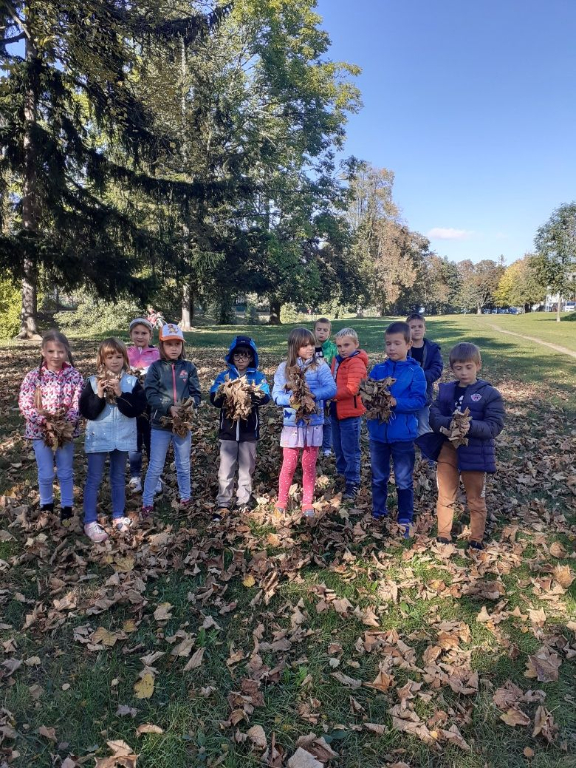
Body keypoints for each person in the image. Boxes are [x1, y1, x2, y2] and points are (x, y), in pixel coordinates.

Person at [417, 342, 505, 551]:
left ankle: (476, 538)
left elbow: (494, 425)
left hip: (475, 452)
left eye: (468, 367)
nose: (463, 372)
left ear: (478, 365)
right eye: (458, 368)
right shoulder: (446, 391)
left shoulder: (489, 394)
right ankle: (443, 534)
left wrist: (470, 426)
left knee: (475, 497)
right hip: (448, 450)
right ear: (452, 369)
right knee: (446, 494)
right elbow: (434, 415)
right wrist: (449, 424)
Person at [79, 338, 147, 542]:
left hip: (122, 437)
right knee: (94, 478)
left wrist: (119, 392)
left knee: (118, 477)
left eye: (119, 356)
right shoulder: (92, 382)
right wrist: (99, 394)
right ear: (102, 359)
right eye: (110, 357)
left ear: (125, 358)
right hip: (99, 437)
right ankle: (90, 520)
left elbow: (136, 410)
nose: (115, 361)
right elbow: (88, 412)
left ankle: (118, 515)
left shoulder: (132, 382)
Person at [367, 321, 426, 535]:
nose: (391, 348)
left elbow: (419, 400)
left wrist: (396, 402)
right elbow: (368, 394)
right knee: (379, 476)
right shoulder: (378, 369)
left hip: (403, 435)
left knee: (403, 479)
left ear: (409, 344)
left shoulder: (415, 371)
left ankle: (405, 517)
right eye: (388, 343)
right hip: (378, 434)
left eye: (397, 343)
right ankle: (378, 512)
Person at [18, 330, 83, 522]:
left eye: (60, 351)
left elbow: (78, 403)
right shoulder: (33, 376)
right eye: (51, 351)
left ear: (67, 351)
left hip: (65, 432)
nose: (56, 356)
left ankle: (67, 506)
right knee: (46, 472)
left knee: (65, 470)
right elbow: (25, 404)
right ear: (42, 352)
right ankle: (46, 504)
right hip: (40, 432)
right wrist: (43, 422)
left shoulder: (74, 376)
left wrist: (65, 422)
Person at [272, 328, 336, 517]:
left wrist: (312, 396)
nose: (310, 348)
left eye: (312, 344)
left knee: (309, 464)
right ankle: (282, 499)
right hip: (292, 424)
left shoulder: (320, 366)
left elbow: (331, 388)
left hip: (313, 423)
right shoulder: (284, 368)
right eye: (305, 345)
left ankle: (307, 502)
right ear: (295, 347)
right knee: (289, 464)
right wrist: (291, 400)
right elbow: (276, 395)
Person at [141, 324, 201, 518]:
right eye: (169, 344)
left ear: (182, 346)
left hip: (182, 425)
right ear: (161, 346)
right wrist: (168, 407)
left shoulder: (189, 368)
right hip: (160, 424)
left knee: (183, 463)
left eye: (177, 344)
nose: (174, 348)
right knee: (156, 465)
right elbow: (150, 394)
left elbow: (196, 394)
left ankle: (186, 497)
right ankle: (147, 501)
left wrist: (189, 406)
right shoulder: (155, 368)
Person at [209, 336, 270, 520]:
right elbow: (214, 396)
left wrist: (252, 396)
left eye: (246, 355)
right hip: (228, 430)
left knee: (246, 467)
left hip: (248, 430)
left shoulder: (257, 377)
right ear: (232, 356)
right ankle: (223, 502)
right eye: (237, 355)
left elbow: (266, 395)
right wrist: (225, 394)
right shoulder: (224, 376)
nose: (241, 358)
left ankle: (243, 501)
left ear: (251, 357)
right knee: (225, 468)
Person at [329, 328, 368, 500]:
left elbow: (353, 389)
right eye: (339, 346)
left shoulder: (356, 363)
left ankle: (353, 481)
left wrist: (331, 394)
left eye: (346, 345)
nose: (342, 349)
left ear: (356, 344)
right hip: (336, 411)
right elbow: (332, 381)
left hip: (350, 413)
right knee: (338, 446)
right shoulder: (337, 360)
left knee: (350, 449)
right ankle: (341, 474)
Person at [126, 317, 161, 494]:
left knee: (151, 438)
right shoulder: (125, 353)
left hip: (151, 404)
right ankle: (135, 476)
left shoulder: (156, 354)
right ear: (131, 334)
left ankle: (156, 476)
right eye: (136, 333)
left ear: (150, 335)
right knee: (134, 440)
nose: (140, 336)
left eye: (144, 333)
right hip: (132, 403)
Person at [406, 313, 443, 436]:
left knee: (423, 426)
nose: (417, 329)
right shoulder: (403, 347)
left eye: (420, 326)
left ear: (425, 329)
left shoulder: (433, 349)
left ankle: (424, 446)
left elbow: (437, 369)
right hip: (405, 394)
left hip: (424, 393)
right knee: (407, 424)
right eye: (412, 327)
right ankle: (409, 445)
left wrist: (420, 377)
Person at [313, 317, 338, 457]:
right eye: (319, 329)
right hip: (313, 388)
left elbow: (336, 368)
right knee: (315, 416)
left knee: (327, 419)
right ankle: (314, 445)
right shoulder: (309, 347)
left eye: (325, 330)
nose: (321, 332)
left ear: (329, 332)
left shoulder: (333, 349)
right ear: (314, 331)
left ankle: (327, 447)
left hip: (328, 388)